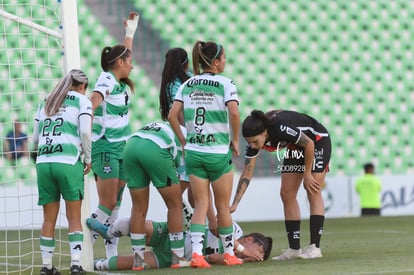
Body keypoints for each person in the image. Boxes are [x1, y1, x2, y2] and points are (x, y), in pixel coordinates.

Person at [168, 40, 242, 268]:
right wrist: (235, 139)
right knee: (222, 206)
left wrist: (183, 141)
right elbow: (235, 113)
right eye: (225, 57)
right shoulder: (225, 84)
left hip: (194, 152)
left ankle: (197, 255)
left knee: (200, 205)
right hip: (218, 153)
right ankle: (230, 253)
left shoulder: (187, 84)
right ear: (217, 62)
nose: (226, 61)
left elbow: (172, 116)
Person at [231, 109, 332, 260]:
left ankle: (314, 247)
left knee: (312, 189)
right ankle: (294, 248)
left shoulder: (279, 127)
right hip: (296, 146)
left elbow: (309, 144)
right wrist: (235, 203)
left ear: (265, 132)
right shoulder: (255, 142)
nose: (252, 145)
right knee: (286, 194)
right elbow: (247, 172)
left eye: (255, 141)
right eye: (249, 142)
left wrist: (307, 174)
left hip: (316, 141)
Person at [88, 11, 139, 258]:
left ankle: (110, 259)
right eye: (129, 61)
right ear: (119, 64)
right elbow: (93, 101)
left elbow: (124, 52)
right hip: (106, 146)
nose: (132, 64)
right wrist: (83, 133)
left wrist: (129, 33)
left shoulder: (118, 77)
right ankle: (83, 249)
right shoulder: (107, 79)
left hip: (122, 147)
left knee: (116, 205)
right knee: (107, 204)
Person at [32, 69, 92, 275]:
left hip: (44, 162)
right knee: (74, 216)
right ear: (83, 86)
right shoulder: (82, 101)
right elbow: (85, 132)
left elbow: (34, 140)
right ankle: (76, 264)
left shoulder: (46, 101)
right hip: (67, 161)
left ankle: (46, 266)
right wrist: (88, 158)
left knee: (48, 218)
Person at [88, 216, 272, 270]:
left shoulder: (233, 259)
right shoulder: (235, 230)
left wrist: (244, 259)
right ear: (249, 239)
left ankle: (97, 263)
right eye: (257, 251)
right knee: (125, 224)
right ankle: (109, 232)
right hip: (171, 234)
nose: (254, 256)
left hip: (174, 257)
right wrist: (243, 251)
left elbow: (212, 257)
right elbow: (220, 228)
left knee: (125, 264)